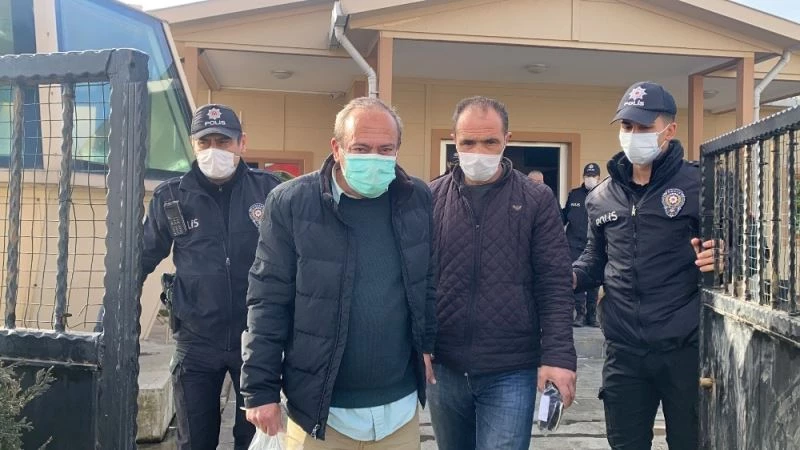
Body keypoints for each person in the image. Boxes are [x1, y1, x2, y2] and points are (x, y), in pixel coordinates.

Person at [241, 97, 437, 450]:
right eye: (361, 148)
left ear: (397, 150)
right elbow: (267, 298)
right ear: (337, 147)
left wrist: (425, 344)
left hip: (399, 411)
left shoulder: (417, 198)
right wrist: (260, 389)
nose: (374, 158)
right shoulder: (291, 203)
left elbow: (427, 282)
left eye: (385, 149)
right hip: (321, 414)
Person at [572, 81, 721, 450]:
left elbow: (751, 251)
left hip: (684, 348)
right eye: (627, 126)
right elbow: (595, 259)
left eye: (644, 127)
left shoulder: (702, 184)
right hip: (624, 351)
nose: (633, 134)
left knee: (690, 442)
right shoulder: (601, 195)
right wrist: (569, 276)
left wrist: (725, 258)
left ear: (669, 130)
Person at [428, 96, 577, 450]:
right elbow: (417, 279)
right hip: (445, 368)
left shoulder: (537, 199)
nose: (478, 151)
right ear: (454, 139)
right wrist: (418, 343)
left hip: (511, 369)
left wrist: (557, 357)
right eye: (468, 142)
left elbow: (554, 283)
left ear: (507, 139)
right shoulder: (431, 197)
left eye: (490, 142)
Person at [140, 104, 281, 450]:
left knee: (255, 440)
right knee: (194, 440)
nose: (214, 149)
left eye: (223, 141)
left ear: (242, 143)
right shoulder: (172, 197)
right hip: (196, 340)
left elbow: (295, 258)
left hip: (255, 340)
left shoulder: (269, 192)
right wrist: (113, 310)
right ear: (193, 144)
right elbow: (141, 258)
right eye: (205, 142)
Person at [562, 163, 602, 327]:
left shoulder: (604, 195)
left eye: (593, 176)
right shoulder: (575, 195)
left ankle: (592, 315)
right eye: (587, 176)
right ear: (583, 177)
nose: (590, 178)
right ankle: (579, 314)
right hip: (574, 244)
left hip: (594, 245)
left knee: (593, 280)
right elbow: (563, 217)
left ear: (598, 178)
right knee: (575, 279)